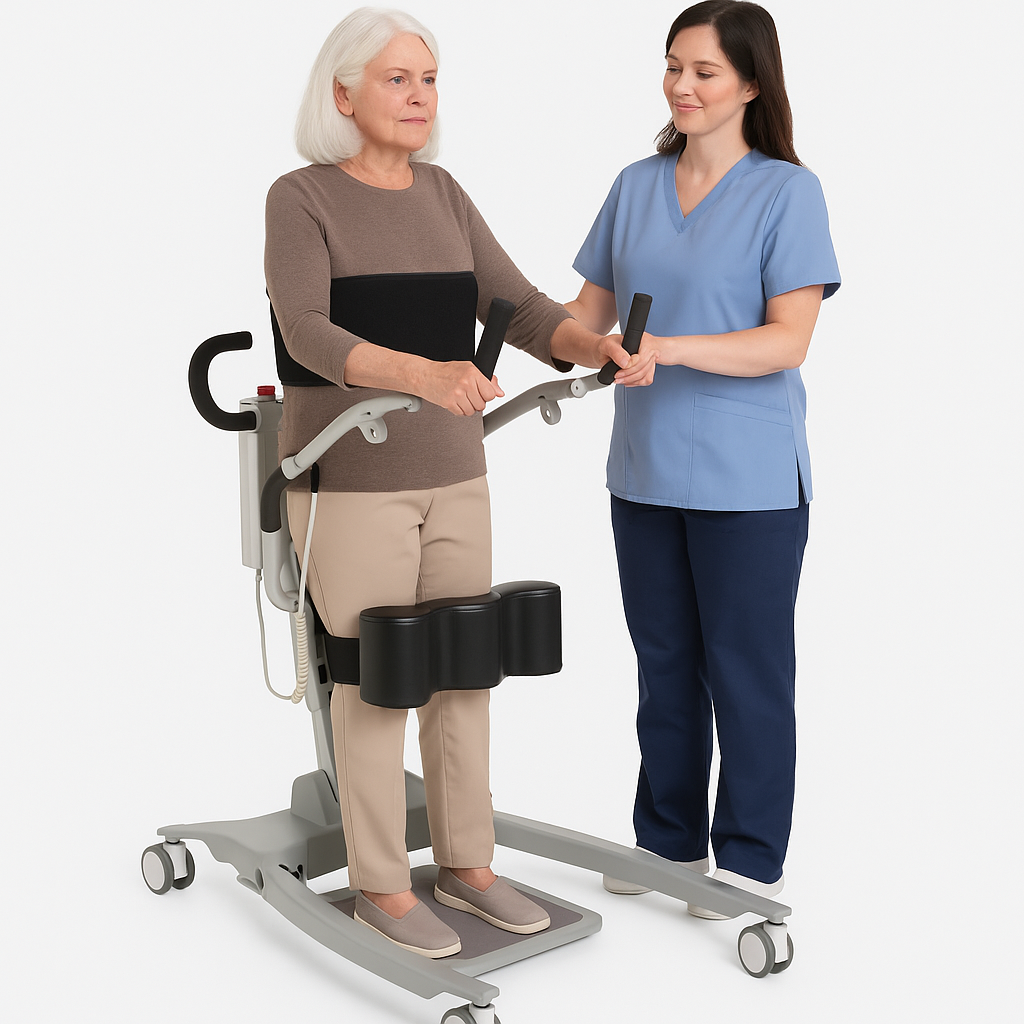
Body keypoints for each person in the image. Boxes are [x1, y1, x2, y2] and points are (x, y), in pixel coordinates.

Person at [265, 7, 652, 958]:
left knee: (466, 672)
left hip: (457, 472)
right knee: (376, 677)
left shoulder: (442, 193)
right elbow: (305, 331)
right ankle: (381, 886)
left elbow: (517, 304)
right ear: (342, 92)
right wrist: (421, 372)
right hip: (349, 480)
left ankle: (468, 867)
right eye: (397, 79)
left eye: (429, 80)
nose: (419, 97)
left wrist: (586, 344)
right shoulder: (301, 196)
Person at [568, 1, 840, 916]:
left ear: (751, 84)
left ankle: (748, 863)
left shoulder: (786, 193)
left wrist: (672, 349)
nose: (681, 86)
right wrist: (503, 332)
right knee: (664, 663)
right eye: (672, 66)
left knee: (746, 670)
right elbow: (586, 318)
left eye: (705, 72)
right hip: (643, 471)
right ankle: (667, 844)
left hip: (750, 482)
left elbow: (787, 342)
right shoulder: (636, 184)